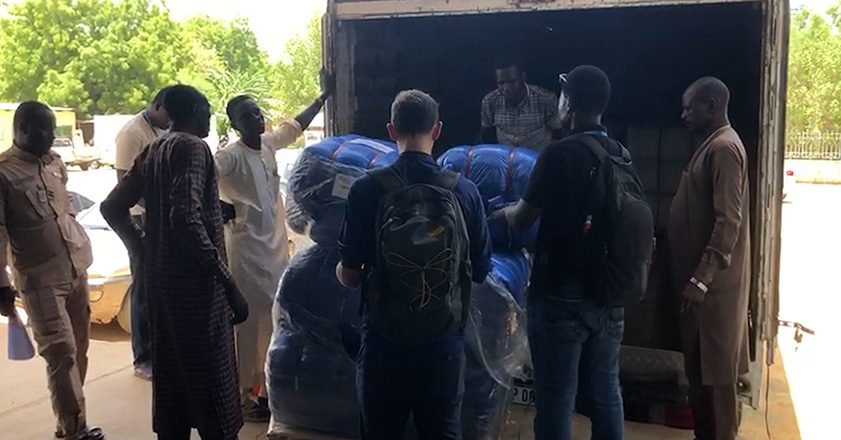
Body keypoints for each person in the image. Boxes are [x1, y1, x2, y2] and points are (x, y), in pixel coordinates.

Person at [336, 90, 491, 440]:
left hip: (383, 347)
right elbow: (479, 271)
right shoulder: (464, 192)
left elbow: (349, 276)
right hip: (444, 348)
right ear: (437, 130)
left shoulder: (365, 190)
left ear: (392, 131)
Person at [101, 85, 248, 440]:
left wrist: (144, 249)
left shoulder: (154, 149)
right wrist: (227, 282)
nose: (211, 118)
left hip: (162, 284)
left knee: (172, 375)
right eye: (207, 110)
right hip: (198, 288)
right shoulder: (194, 148)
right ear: (194, 111)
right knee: (214, 381)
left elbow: (112, 207)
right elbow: (185, 216)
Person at [494, 65, 624, 440]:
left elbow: (522, 219)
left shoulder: (559, 154)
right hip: (609, 294)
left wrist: (499, 212)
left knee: (555, 399)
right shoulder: (619, 153)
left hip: (561, 294)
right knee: (605, 394)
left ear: (569, 102)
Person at [215, 70, 335, 422]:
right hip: (246, 252)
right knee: (248, 327)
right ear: (236, 125)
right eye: (247, 115)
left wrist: (322, 97)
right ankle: (241, 396)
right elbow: (199, 175)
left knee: (275, 318)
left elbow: (295, 126)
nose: (257, 118)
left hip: (274, 249)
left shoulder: (267, 144)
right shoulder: (229, 156)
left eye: (257, 112)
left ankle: (266, 390)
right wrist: (218, 207)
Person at [0, 101, 105, 440]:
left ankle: (71, 418)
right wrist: (2, 285)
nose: (49, 137)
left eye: (52, 129)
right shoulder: (3, 173)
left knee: (79, 348)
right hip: (40, 279)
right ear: (22, 129)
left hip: (76, 268)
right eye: (42, 130)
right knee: (61, 352)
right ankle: (74, 429)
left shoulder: (55, 164)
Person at [669, 77, 750, 440]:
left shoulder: (723, 149)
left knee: (716, 385)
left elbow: (728, 220)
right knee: (702, 383)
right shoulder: (711, 145)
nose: (684, 114)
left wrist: (702, 277)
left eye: (691, 107)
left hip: (714, 296)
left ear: (713, 106)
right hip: (704, 294)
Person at [113, 86, 173, 381]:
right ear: (157, 105)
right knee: (144, 288)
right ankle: (142, 357)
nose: (171, 123)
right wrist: (158, 207)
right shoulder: (132, 133)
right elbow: (124, 184)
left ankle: (160, 350)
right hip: (140, 219)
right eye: (169, 116)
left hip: (160, 218)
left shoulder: (161, 130)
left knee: (161, 286)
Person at [480, 54, 565, 152]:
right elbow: (485, 136)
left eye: (512, 82)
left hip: (539, 160)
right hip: (505, 163)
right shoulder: (490, 102)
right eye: (501, 83)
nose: (506, 89)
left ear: (523, 77)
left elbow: (559, 134)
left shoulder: (545, 99)